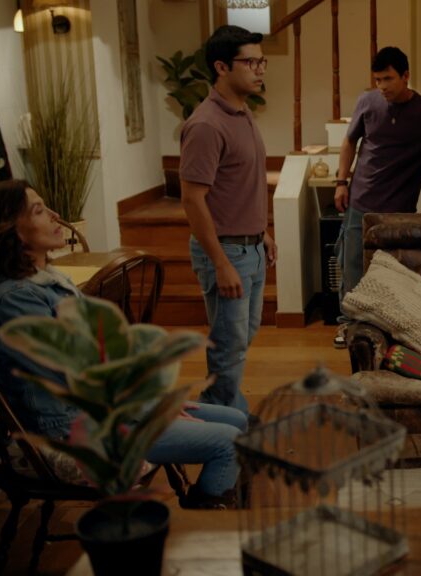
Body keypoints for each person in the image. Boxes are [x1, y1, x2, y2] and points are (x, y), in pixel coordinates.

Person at [0, 180, 247, 509]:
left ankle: (215, 499)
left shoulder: (46, 281)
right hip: (72, 429)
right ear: (9, 231)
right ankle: (207, 515)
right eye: (39, 210)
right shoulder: (15, 298)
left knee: (235, 419)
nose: (55, 215)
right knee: (229, 442)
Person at [332, 46, 421, 348]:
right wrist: (341, 182)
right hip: (360, 202)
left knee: (394, 273)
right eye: (378, 79)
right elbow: (349, 141)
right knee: (352, 267)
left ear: (406, 76)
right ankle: (348, 326)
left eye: (388, 79)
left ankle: (390, 327)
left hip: (399, 211)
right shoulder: (367, 102)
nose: (382, 86)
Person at [180, 25, 276, 413]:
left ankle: (225, 412)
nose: (260, 69)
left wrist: (261, 231)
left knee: (240, 340)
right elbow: (192, 200)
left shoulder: (242, 112)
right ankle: (218, 420)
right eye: (250, 62)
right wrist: (220, 262)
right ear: (221, 67)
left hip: (250, 247)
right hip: (227, 252)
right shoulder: (206, 124)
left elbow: (240, 183)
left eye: (261, 61)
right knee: (228, 346)